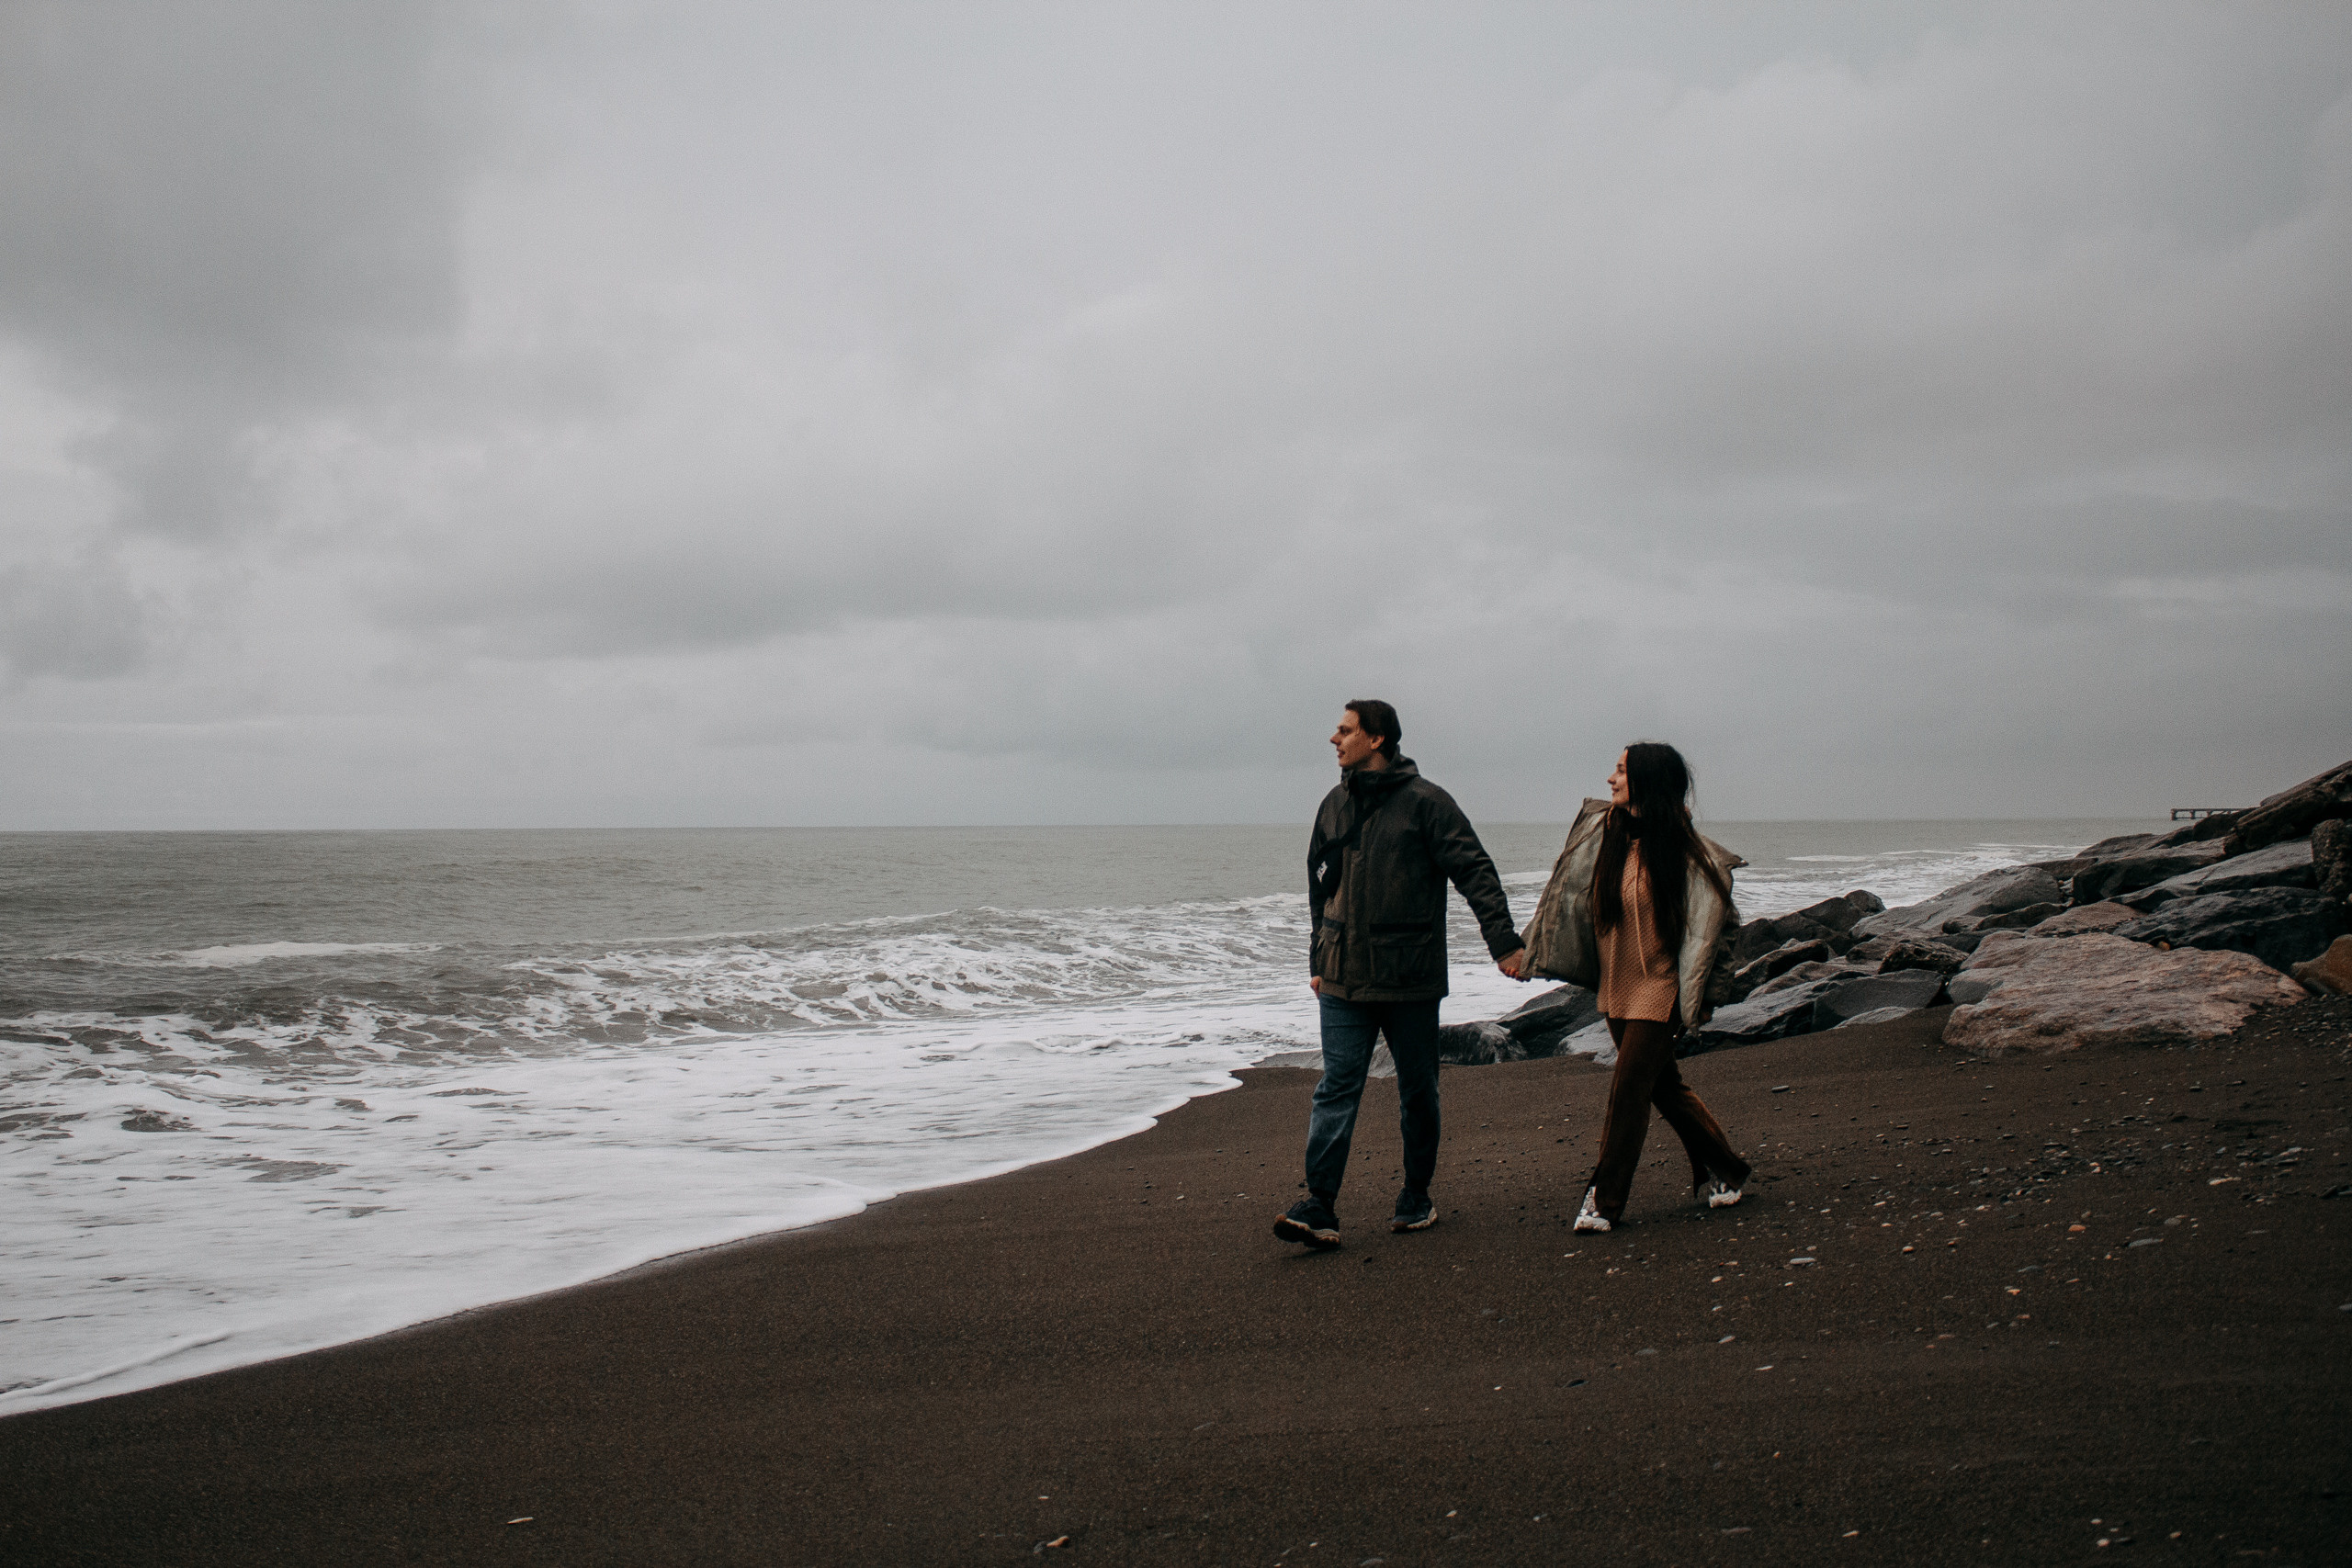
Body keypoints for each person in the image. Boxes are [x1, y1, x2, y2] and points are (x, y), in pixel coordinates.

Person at [1273, 699, 1527, 1251]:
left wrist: (1505, 943)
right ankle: (1319, 1204)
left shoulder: (1427, 803)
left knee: (1417, 1090)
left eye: (1345, 730)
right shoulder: (1333, 804)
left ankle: (1416, 1195)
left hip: (1408, 976)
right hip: (1341, 979)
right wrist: (1318, 959)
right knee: (1337, 1087)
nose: (1334, 739)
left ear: (1377, 739)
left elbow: (1474, 871)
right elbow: (1320, 886)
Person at [1520, 741, 1750, 1232]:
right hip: (1617, 983)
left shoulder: (1690, 855)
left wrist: (1703, 994)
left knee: (1628, 1090)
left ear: (1647, 779)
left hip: (1660, 987)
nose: (1611, 779)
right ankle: (1727, 1168)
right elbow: (1565, 895)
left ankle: (1604, 1201)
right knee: (1663, 1086)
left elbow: (1718, 930)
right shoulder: (1609, 835)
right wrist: (1531, 949)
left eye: (1621, 771)